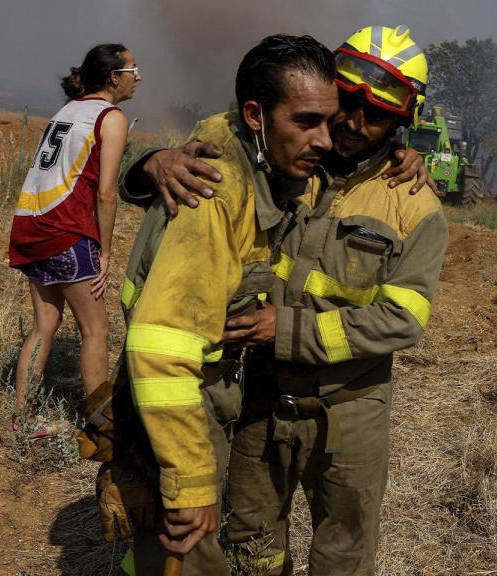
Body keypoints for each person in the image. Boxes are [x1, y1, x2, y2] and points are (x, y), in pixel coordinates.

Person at [125, 24, 448, 575]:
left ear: (401, 122)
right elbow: (222, 145)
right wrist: (155, 161)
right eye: (346, 103)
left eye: (377, 116)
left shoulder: (412, 203)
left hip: (351, 408)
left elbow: (405, 319)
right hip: (263, 396)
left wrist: (288, 330)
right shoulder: (288, 166)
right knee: (253, 538)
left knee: (343, 548)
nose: (350, 125)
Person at [108, 35, 342, 575]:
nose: (324, 139)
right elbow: (160, 346)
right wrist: (189, 479)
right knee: (189, 551)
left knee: (157, 551)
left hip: (215, 383)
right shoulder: (215, 185)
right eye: (306, 121)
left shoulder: (262, 154)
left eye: (329, 122)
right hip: (182, 393)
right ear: (256, 115)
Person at [7, 43, 137, 436]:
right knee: (96, 330)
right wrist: (105, 251)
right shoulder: (110, 117)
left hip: (30, 226)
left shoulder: (68, 109)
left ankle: (22, 420)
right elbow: (106, 192)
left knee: (44, 324)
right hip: (66, 231)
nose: (139, 76)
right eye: (134, 68)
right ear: (115, 76)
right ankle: (103, 430)